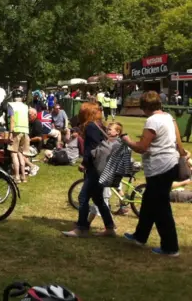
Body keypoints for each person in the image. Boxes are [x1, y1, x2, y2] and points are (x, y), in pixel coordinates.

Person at [122, 91, 182, 257]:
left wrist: (127, 140)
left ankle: (170, 247)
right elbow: (177, 141)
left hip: (160, 167)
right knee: (149, 202)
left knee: (161, 208)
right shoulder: (168, 117)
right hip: (169, 164)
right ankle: (140, 237)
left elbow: (142, 147)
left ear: (144, 106)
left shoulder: (152, 120)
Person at [62, 102, 115, 238]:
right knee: (98, 198)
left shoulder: (91, 127)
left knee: (83, 197)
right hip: (103, 167)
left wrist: (84, 164)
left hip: (95, 169)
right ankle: (109, 227)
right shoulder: (99, 125)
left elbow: (92, 150)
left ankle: (81, 228)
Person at [8, 90, 31, 183]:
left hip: (16, 131)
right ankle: (23, 177)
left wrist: (10, 133)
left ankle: (17, 176)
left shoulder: (11, 105)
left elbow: (12, 119)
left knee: (14, 154)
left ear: (13, 97)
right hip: (25, 131)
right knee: (21, 154)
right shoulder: (26, 106)